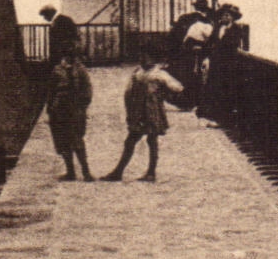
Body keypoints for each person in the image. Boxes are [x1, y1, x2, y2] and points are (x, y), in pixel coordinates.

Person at [102, 48, 184, 182]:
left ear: (153, 59)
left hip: (152, 112)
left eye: (145, 56)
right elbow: (128, 92)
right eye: (141, 56)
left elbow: (178, 88)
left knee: (151, 140)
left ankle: (149, 172)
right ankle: (119, 171)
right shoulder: (137, 73)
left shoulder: (159, 74)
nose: (142, 59)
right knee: (131, 141)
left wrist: (163, 95)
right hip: (138, 112)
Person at [47, 44, 94, 180]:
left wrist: (83, 106)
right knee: (63, 140)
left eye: (72, 56)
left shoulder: (81, 71)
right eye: (68, 56)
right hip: (59, 109)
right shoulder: (57, 70)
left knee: (77, 140)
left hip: (75, 109)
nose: (70, 59)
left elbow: (88, 91)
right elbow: (51, 90)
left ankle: (86, 172)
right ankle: (70, 172)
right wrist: (50, 107)